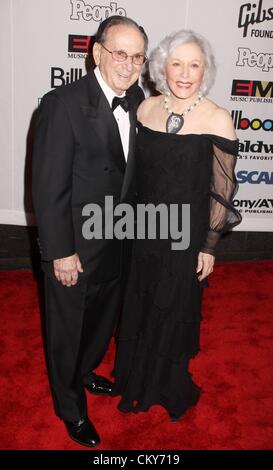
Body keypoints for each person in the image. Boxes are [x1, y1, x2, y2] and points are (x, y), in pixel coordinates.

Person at [112, 30, 242, 421]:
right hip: (143, 230)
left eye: (194, 65)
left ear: (206, 70)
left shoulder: (218, 118)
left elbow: (222, 192)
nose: (185, 74)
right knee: (140, 300)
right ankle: (134, 375)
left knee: (172, 307)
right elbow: (133, 176)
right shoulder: (145, 109)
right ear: (160, 67)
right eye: (176, 64)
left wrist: (209, 246)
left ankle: (163, 383)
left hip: (184, 237)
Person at [32, 16, 147, 447]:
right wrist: (61, 250)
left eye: (137, 56)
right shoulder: (62, 103)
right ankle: (69, 406)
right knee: (67, 330)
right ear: (97, 52)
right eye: (120, 53)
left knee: (100, 324)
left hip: (119, 242)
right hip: (76, 248)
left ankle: (85, 372)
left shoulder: (140, 101)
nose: (128, 64)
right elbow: (47, 185)